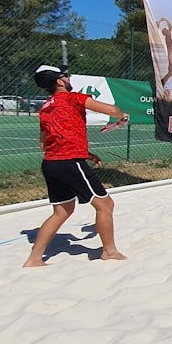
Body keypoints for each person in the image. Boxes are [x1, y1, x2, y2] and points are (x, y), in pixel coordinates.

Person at [23, 64, 129, 268]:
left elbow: (44, 143)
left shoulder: (45, 107)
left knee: (62, 211)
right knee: (105, 205)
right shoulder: (73, 98)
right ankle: (109, 252)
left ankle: (34, 259)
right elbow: (111, 110)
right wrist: (121, 116)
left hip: (51, 163)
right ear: (59, 81)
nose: (69, 78)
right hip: (69, 162)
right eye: (66, 76)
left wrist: (85, 153)